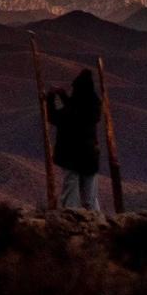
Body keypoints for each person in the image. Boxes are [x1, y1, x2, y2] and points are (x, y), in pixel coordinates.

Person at [50, 61, 109, 212]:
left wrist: (50, 100)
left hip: (71, 156)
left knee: (71, 193)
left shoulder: (73, 110)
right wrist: (63, 96)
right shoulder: (92, 107)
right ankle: (95, 221)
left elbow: (56, 117)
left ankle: (72, 219)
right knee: (90, 196)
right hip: (90, 156)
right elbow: (76, 110)